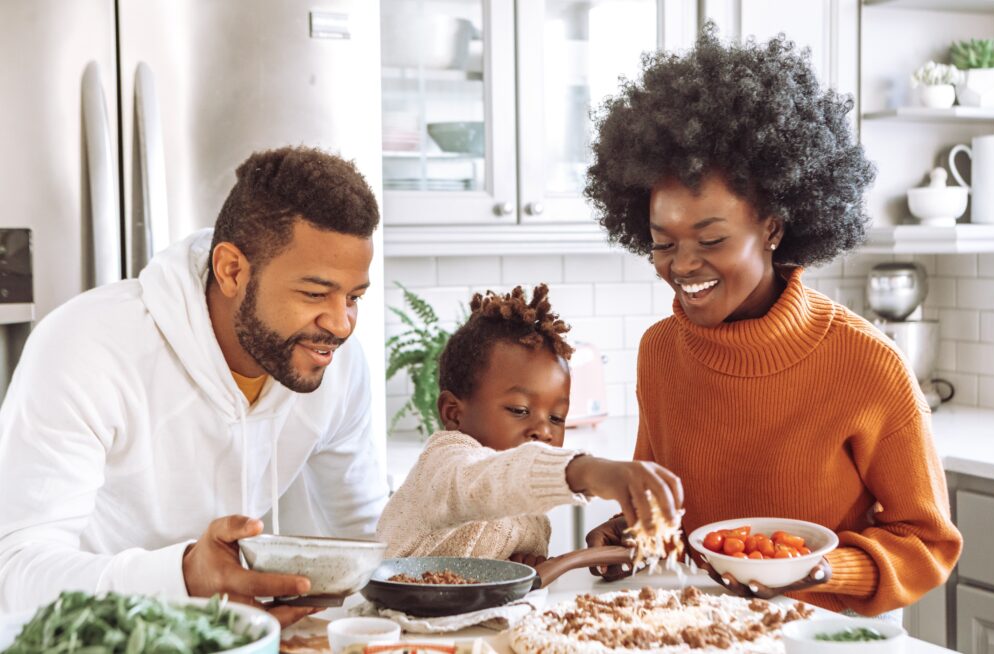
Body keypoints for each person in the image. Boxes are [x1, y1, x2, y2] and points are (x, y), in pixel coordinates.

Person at [582, 27, 962, 618]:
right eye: (662, 243)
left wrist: (818, 568)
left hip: (821, 637)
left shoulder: (867, 363)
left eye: (711, 238)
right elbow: (670, 515)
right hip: (699, 629)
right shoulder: (661, 351)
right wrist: (624, 536)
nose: (682, 266)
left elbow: (928, 543)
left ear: (774, 228)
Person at [0, 146, 389, 625]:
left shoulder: (330, 364)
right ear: (231, 270)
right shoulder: (85, 347)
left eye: (354, 297)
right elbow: (14, 574)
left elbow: (369, 540)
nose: (341, 324)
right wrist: (182, 575)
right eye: (314, 293)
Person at [377, 285, 683, 566]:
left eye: (556, 418)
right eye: (520, 410)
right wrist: (587, 471)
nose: (544, 431)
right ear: (453, 413)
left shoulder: (531, 511)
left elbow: (495, 566)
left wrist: (521, 565)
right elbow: (485, 483)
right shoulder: (446, 463)